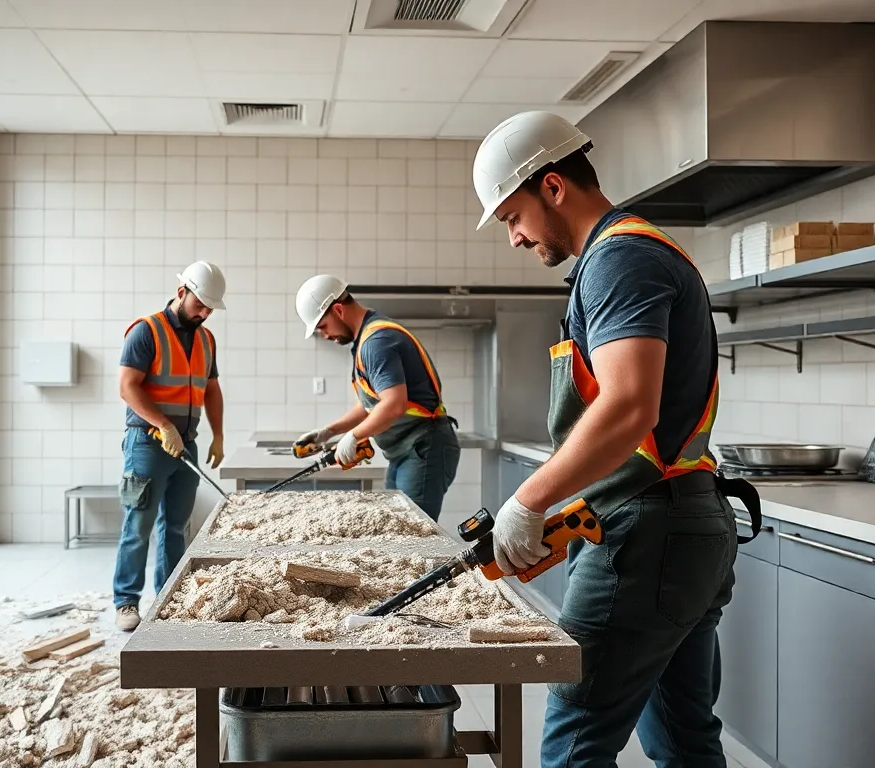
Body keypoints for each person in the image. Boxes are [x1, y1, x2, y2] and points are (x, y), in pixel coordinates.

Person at [472, 111, 757, 767]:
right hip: (686, 526)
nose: (513, 237)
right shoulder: (630, 253)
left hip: (648, 537)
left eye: (512, 217)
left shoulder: (619, 257)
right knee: (684, 740)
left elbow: (629, 406)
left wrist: (527, 501)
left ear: (551, 187)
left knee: (575, 741)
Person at [113, 261, 227, 632]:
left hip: (187, 445)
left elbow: (211, 389)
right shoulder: (146, 332)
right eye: (200, 304)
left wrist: (219, 434)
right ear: (182, 292)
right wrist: (163, 424)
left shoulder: (206, 339)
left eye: (210, 307)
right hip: (147, 443)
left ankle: (168, 596)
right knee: (139, 524)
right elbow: (128, 386)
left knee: (176, 525)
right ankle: (126, 602)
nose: (205, 312)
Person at [292, 275, 461, 522]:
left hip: (423, 450)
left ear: (338, 309)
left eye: (322, 327)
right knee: (398, 529)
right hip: (405, 452)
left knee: (411, 535)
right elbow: (371, 404)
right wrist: (329, 432)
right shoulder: (367, 338)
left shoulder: (376, 342)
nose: (325, 335)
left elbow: (393, 404)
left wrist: (355, 436)